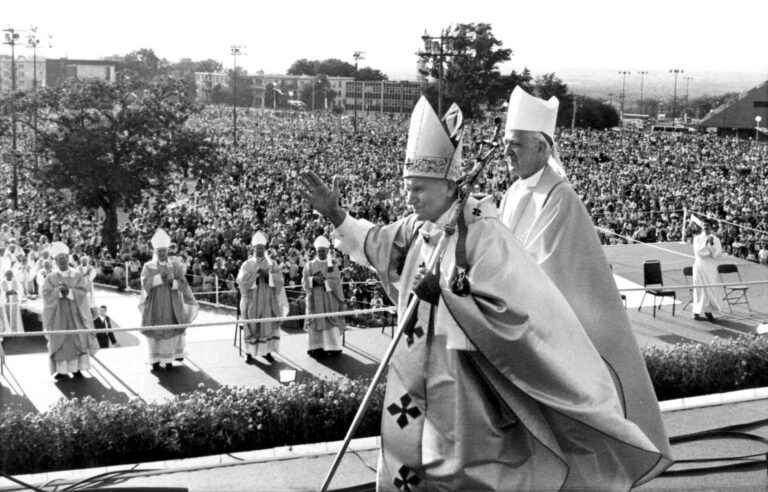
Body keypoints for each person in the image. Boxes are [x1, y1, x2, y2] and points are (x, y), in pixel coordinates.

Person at [299, 97, 667, 491]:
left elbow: (512, 307)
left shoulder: (482, 233)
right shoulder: (415, 227)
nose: (410, 199)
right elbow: (376, 244)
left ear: (448, 185)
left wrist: (446, 299)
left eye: (419, 189)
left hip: (470, 383)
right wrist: (337, 215)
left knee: (469, 472)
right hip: (419, 373)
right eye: (408, 188)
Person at [498, 87, 671, 470]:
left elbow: (545, 269)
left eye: (516, 145)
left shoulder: (560, 198)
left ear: (543, 148)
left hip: (558, 330)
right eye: (507, 144)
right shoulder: (511, 192)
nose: (507, 153)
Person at [140, 229, 198, 372]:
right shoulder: (149, 266)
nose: (162, 253)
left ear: (167, 251)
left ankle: (169, 359)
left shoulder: (175, 265)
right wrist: (160, 279)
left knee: (171, 329)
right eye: (159, 251)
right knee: (155, 331)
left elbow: (184, 284)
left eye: (164, 251)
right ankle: (155, 360)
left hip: (173, 304)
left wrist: (173, 282)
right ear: (155, 252)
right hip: (155, 304)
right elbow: (144, 284)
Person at [42, 242, 98, 380]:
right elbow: (46, 294)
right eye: (59, 259)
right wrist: (59, 292)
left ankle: (77, 368)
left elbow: (83, 291)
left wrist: (70, 292)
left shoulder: (76, 275)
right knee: (61, 340)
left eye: (64, 258)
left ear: (68, 258)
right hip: (58, 316)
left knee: (77, 339)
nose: (62, 261)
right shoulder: (51, 277)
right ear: (55, 261)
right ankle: (61, 371)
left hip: (75, 314)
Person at [236, 231, 288, 363]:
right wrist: (256, 276)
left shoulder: (272, 263)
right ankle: (249, 352)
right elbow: (241, 282)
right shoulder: (247, 264)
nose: (259, 250)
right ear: (253, 248)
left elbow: (280, 280)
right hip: (252, 300)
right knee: (252, 324)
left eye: (262, 248)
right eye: (257, 248)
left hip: (268, 300)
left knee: (268, 324)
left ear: (265, 249)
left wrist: (268, 276)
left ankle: (267, 351)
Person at [303, 235, 345, 357]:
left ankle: (333, 347)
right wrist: (313, 280)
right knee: (315, 323)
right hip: (314, 301)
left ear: (327, 251)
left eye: (323, 251)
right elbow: (304, 281)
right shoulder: (309, 265)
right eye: (319, 251)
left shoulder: (332, 265)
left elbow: (336, 280)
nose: (321, 253)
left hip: (329, 299)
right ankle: (316, 347)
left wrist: (325, 281)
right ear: (316, 251)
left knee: (329, 323)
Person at [691, 215, 722, 321]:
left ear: (711, 227)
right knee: (699, 289)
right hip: (700, 266)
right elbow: (699, 253)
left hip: (711, 267)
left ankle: (709, 311)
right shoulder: (697, 239)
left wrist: (711, 245)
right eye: (704, 226)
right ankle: (696, 311)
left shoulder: (716, 239)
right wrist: (706, 243)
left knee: (710, 289)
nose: (706, 228)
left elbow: (717, 254)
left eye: (708, 226)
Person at [1, 269, 25, 333]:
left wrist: (15, 292)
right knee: (6, 317)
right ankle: (7, 331)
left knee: (15, 317)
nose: (9, 276)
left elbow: (21, 291)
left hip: (14, 302)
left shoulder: (16, 282)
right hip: (6, 302)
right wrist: (6, 293)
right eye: (7, 275)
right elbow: (1, 292)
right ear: (5, 275)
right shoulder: (2, 283)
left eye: (10, 274)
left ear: (12, 275)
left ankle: (16, 331)